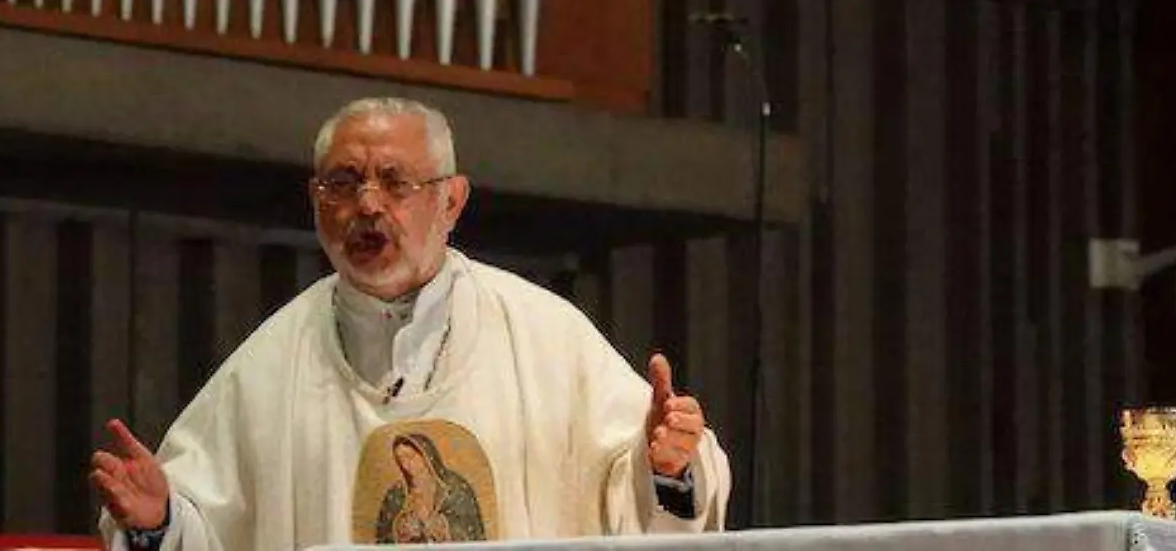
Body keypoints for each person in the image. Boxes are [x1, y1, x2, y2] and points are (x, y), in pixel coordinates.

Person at [89, 96, 731, 548]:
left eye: (394, 183)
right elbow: (207, 533)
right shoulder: (271, 365)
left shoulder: (542, 337)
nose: (366, 205)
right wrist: (160, 520)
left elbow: (649, 512)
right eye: (342, 183)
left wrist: (668, 469)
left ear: (451, 201)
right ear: (316, 203)